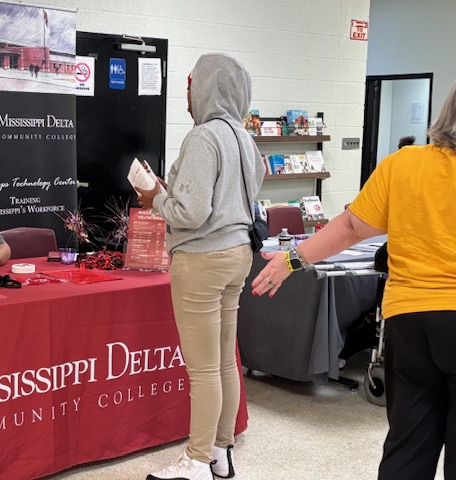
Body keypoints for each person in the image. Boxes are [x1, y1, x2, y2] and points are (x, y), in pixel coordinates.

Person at [251, 81, 456, 480]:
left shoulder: (404, 164)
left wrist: (290, 260)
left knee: (408, 446)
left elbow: (348, 227)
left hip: (409, 321)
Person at [136, 53, 264, 480]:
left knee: (204, 368)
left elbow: (190, 213)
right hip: (237, 255)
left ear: (206, 87)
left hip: (202, 259)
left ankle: (194, 459)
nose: (187, 97)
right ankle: (221, 452)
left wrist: (155, 197)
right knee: (226, 359)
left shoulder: (203, 137)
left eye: (191, 86)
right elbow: (223, 199)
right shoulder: (244, 139)